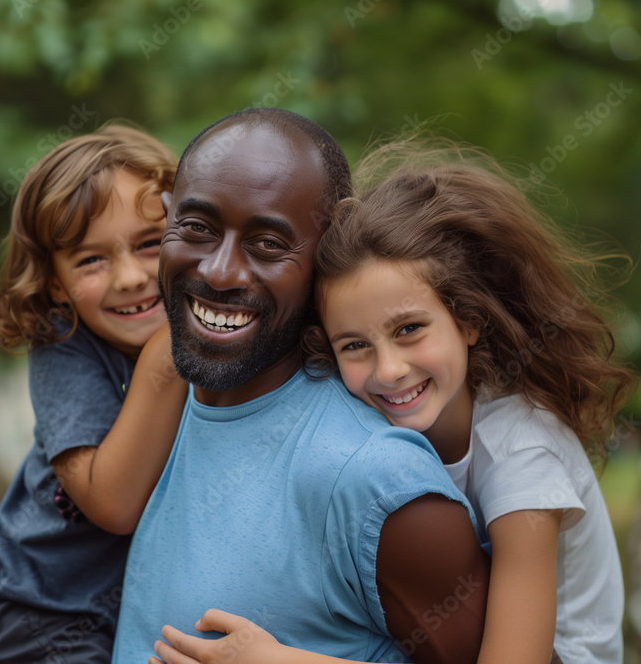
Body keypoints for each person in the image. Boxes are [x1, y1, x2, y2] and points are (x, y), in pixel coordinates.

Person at [154, 142, 635, 664]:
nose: (388, 370)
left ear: (470, 320)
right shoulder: (374, 421)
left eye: (409, 329)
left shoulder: (522, 456)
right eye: (354, 345)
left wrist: (279, 660)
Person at [112, 109, 491, 664]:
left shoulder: (378, 482)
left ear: (324, 257)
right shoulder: (164, 400)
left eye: (268, 243)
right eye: (197, 228)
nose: (219, 271)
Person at [0, 123, 188, 664]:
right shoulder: (63, 346)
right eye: (91, 259)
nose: (130, 277)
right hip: (34, 612)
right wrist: (164, 358)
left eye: (151, 244)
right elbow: (113, 504)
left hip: (125, 614)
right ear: (56, 283)